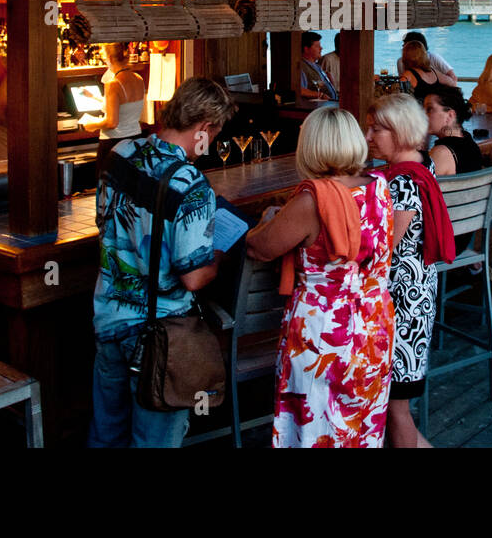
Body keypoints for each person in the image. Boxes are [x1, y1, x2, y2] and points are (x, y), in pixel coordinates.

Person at [88, 77, 235, 448]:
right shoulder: (190, 185)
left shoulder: (119, 154)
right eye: (213, 135)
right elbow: (194, 277)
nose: (211, 144)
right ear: (204, 128)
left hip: (108, 320)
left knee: (106, 437)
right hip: (158, 338)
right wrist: (218, 250)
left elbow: (104, 223)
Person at [246, 106, 395, 447]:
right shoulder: (379, 186)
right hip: (374, 324)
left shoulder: (314, 200)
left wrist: (263, 224)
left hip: (324, 333)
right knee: (361, 426)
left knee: (315, 429)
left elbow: (261, 248)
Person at [365, 93, 453, 448]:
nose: (368, 136)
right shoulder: (421, 165)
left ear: (400, 132)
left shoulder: (400, 184)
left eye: (377, 129)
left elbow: (381, 247)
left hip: (402, 309)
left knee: (394, 406)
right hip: (417, 299)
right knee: (394, 403)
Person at [79, 42, 147, 169]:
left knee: (108, 184)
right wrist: (93, 97)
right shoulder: (138, 79)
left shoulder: (113, 84)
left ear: (110, 58)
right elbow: (124, 104)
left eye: (105, 58)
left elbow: (111, 123)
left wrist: (91, 125)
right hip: (135, 140)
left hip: (114, 143)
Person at [423, 86, 484, 177]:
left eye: (429, 109)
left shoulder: (440, 154)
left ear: (450, 115)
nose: (423, 115)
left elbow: (417, 190)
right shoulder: (470, 143)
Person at [295, 31, 338, 102]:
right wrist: (320, 95)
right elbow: (300, 90)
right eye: (317, 46)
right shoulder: (301, 67)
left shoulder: (317, 66)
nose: (321, 48)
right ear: (306, 49)